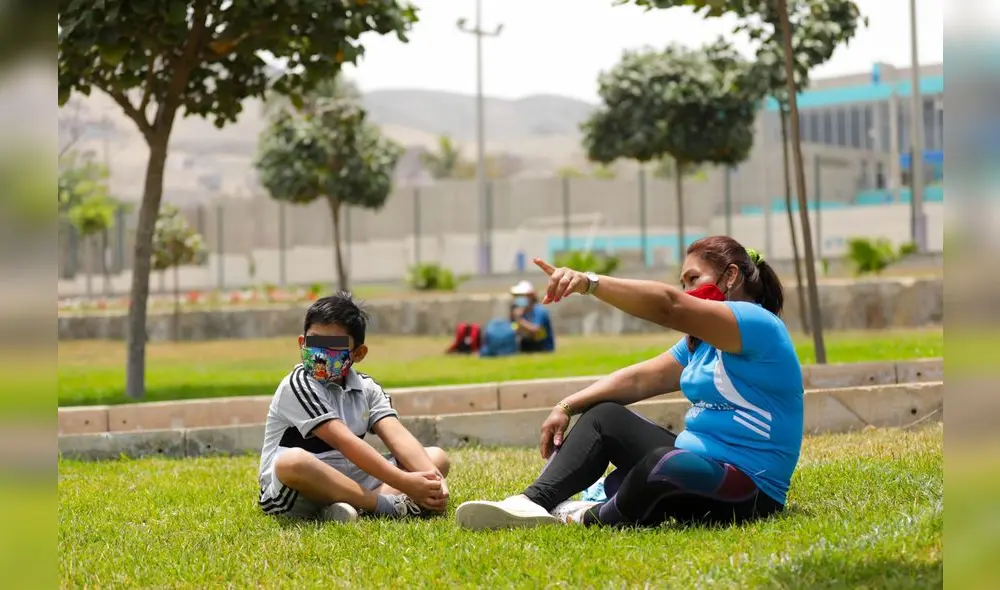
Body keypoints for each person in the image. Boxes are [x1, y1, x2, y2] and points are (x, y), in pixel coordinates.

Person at [455, 236, 803, 530]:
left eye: (694, 279)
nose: (687, 291)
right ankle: (531, 503)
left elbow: (669, 306)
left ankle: (587, 516)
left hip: (749, 490)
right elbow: (640, 378)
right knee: (606, 417)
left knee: (665, 464)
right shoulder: (702, 342)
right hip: (697, 465)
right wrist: (567, 405)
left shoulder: (758, 324)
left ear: (730, 276)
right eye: (683, 284)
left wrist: (590, 283)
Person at [258, 292, 451, 522]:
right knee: (293, 462)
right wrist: (404, 482)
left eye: (333, 346)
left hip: (349, 476)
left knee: (435, 458)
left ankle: (343, 507)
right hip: (297, 487)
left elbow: (397, 435)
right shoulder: (297, 384)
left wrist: (435, 482)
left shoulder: (366, 387)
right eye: (315, 342)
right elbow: (344, 442)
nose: (320, 354)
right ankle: (385, 505)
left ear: (358, 353)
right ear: (302, 343)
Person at [509, 280, 556, 353]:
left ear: (530, 296)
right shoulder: (520, 312)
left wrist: (519, 320)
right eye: (517, 296)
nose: (518, 298)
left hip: (543, 349)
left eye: (521, 295)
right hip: (526, 348)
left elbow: (536, 330)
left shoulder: (540, 311)